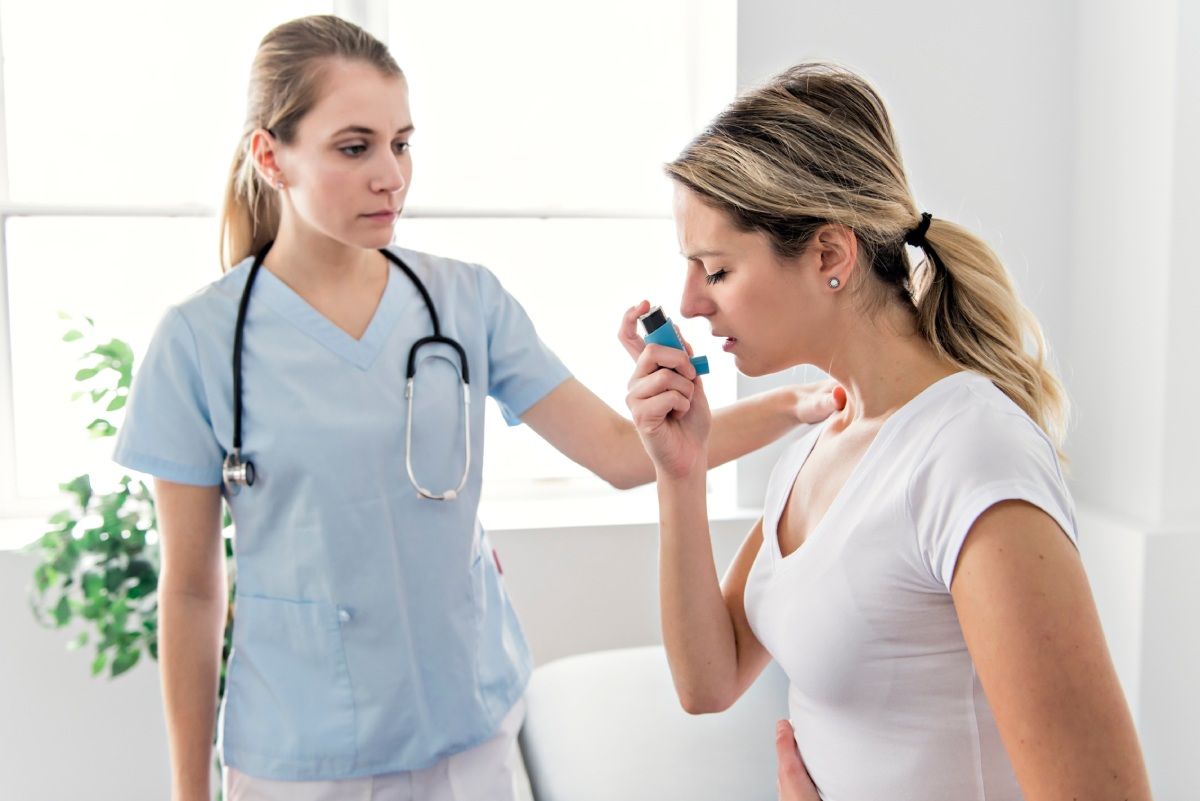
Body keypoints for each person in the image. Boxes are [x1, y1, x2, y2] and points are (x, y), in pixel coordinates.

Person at [112, 16, 840, 801]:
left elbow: (626, 453)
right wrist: (189, 792)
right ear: (270, 156)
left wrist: (796, 403)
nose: (391, 175)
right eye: (354, 148)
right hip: (299, 759)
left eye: (402, 143)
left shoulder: (464, 301)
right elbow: (191, 590)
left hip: (468, 738)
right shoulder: (198, 341)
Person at [625, 63, 1152, 801]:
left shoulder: (972, 456)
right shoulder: (821, 443)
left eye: (715, 270)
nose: (691, 302)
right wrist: (681, 472)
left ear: (830, 257)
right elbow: (708, 681)